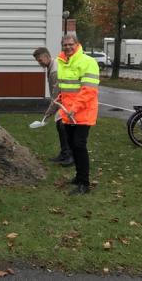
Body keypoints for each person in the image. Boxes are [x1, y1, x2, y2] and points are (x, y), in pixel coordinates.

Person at [56, 34, 99, 195]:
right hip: (68, 113)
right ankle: (79, 176)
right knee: (72, 145)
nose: (67, 47)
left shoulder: (88, 62)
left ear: (77, 44)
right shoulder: (62, 62)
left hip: (83, 113)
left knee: (79, 145)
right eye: (64, 45)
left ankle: (84, 183)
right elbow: (66, 88)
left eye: (70, 44)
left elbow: (89, 90)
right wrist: (59, 99)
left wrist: (74, 108)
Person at [32, 47, 74, 167]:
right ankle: (64, 153)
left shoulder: (55, 70)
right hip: (63, 101)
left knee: (64, 127)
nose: (39, 63)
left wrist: (48, 112)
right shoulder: (51, 66)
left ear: (46, 56)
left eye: (40, 60)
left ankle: (70, 156)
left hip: (67, 102)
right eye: (37, 61)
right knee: (60, 125)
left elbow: (56, 95)